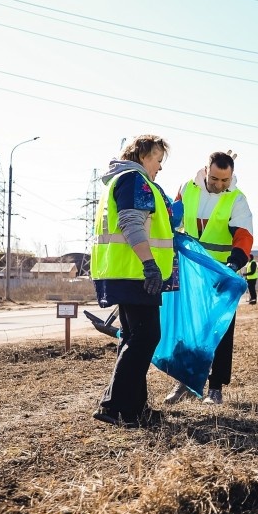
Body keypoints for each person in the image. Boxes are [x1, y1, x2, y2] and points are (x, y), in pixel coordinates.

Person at [92, 134, 176, 428]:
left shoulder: (122, 180)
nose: (160, 167)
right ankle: (115, 406)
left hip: (125, 271)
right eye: (158, 160)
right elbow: (130, 223)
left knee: (134, 337)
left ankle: (134, 408)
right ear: (142, 156)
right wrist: (149, 264)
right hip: (136, 272)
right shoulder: (134, 180)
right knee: (145, 336)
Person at [164, 151, 254, 406]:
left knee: (220, 330)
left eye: (225, 180)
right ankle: (184, 382)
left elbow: (244, 235)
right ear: (206, 171)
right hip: (192, 271)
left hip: (222, 272)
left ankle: (215, 388)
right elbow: (173, 219)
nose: (220, 184)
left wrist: (233, 264)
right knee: (188, 326)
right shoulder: (187, 189)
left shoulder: (237, 199)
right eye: (215, 179)